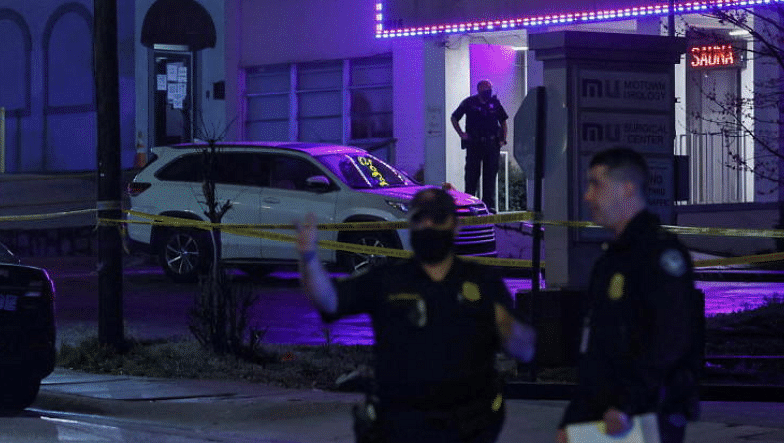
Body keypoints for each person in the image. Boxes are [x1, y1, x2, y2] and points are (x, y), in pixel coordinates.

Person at [297, 187, 536, 443]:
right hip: (399, 425)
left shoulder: (482, 281)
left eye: (437, 219)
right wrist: (308, 257)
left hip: (468, 427)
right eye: (420, 219)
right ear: (409, 226)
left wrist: (505, 325)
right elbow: (330, 301)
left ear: (456, 226)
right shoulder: (387, 279)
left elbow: (525, 350)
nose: (428, 226)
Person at [556, 147, 703, 443]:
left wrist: (626, 404)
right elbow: (597, 348)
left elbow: (669, 338)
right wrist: (574, 419)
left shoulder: (659, 255)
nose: (588, 197)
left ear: (626, 189)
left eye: (596, 184)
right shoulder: (611, 259)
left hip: (644, 417)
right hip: (607, 417)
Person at [450, 80, 509, 211]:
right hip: (474, 144)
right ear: (479, 89)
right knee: (471, 176)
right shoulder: (469, 102)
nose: (489, 90)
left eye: (490, 88)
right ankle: (469, 205)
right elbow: (454, 117)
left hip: (491, 145)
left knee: (490, 177)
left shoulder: (495, 103)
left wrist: (502, 139)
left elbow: (504, 122)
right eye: (486, 88)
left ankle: (489, 206)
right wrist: (461, 134)